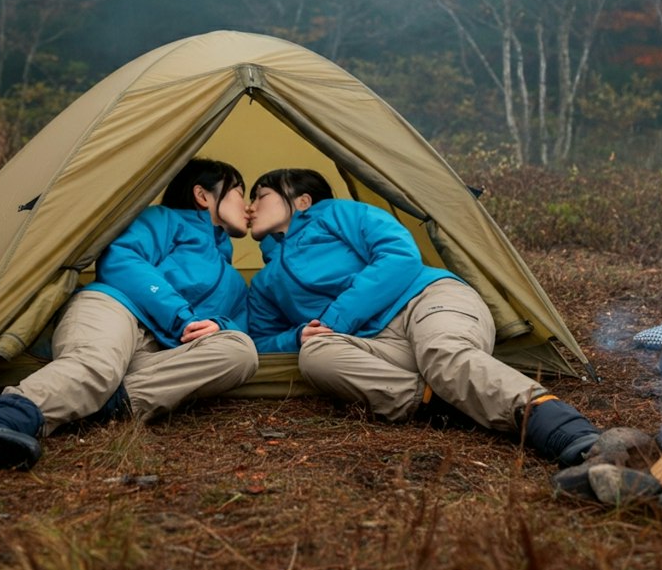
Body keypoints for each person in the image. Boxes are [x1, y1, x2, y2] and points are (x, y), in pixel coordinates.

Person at [245, 168, 599, 466]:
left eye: (259, 195)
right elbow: (261, 339)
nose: (250, 207)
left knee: (443, 354)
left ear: (301, 200)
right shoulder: (264, 283)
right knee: (317, 356)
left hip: (426, 300)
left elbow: (399, 255)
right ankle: (440, 404)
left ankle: (563, 428)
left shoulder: (339, 214)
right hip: (379, 342)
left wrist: (335, 319)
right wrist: (297, 337)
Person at [0, 158, 259, 470]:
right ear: (203, 195)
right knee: (98, 366)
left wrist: (216, 324)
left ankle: (109, 405)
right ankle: (2, 420)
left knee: (240, 351)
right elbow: (122, 258)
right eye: (239, 192)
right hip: (116, 307)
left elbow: (238, 327)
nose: (247, 206)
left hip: (162, 351)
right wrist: (179, 315)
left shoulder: (233, 280)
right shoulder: (164, 220)